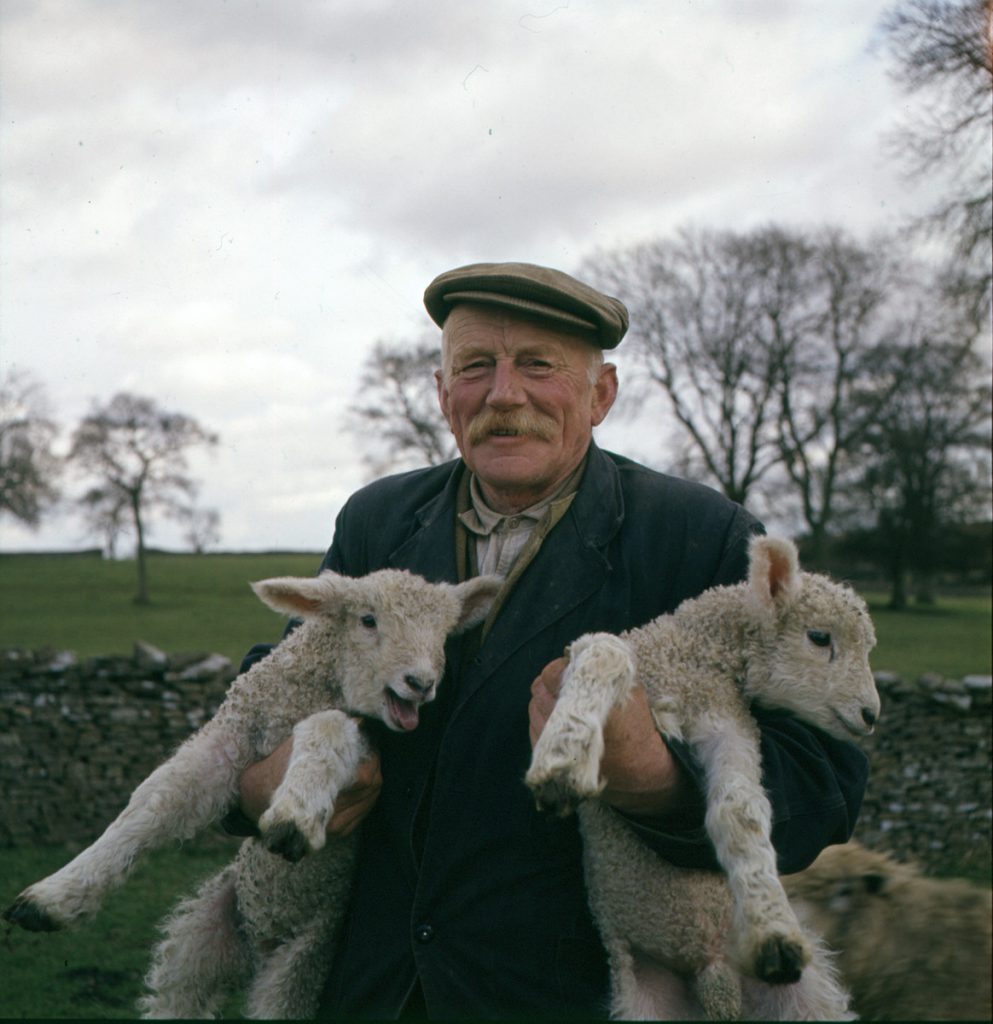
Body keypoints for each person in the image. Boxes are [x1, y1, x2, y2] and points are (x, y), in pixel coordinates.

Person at [230, 261, 869, 1020]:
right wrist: (259, 780)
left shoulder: (699, 535)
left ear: (600, 395)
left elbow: (822, 781)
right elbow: (284, 680)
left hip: (584, 993)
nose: (504, 394)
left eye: (538, 365)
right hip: (377, 988)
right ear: (443, 396)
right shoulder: (378, 519)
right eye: (475, 367)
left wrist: (659, 781)